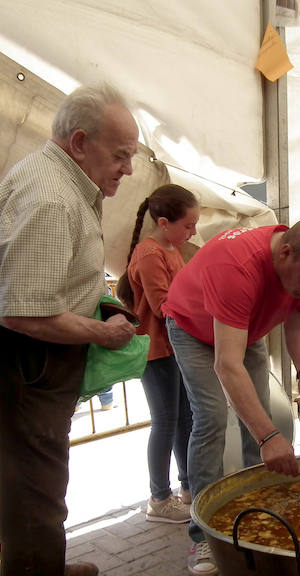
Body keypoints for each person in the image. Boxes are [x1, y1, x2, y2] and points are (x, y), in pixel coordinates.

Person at [0, 83, 138, 576]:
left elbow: (51, 282)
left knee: (35, 475)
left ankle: (41, 570)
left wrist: (98, 300)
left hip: (21, 349)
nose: (128, 169)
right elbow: (27, 313)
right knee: (31, 484)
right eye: (121, 154)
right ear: (80, 142)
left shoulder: (62, 176)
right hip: (21, 353)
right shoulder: (53, 197)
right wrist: (103, 330)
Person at [163, 218, 300, 576]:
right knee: (213, 420)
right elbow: (227, 365)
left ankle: (259, 514)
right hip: (193, 328)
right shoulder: (236, 265)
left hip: (246, 329)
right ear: (286, 252)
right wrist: (268, 436)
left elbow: (298, 326)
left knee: (259, 420)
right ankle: (204, 535)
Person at [116, 184, 199, 525]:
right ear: (164, 222)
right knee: (165, 422)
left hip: (174, 347)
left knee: (185, 419)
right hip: (156, 350)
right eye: (188, 226)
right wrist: (200, 311)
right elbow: (162, 306)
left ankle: (189, 488)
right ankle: (159, 498)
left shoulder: (170, 247)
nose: (192, 232)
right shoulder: (150, 254)